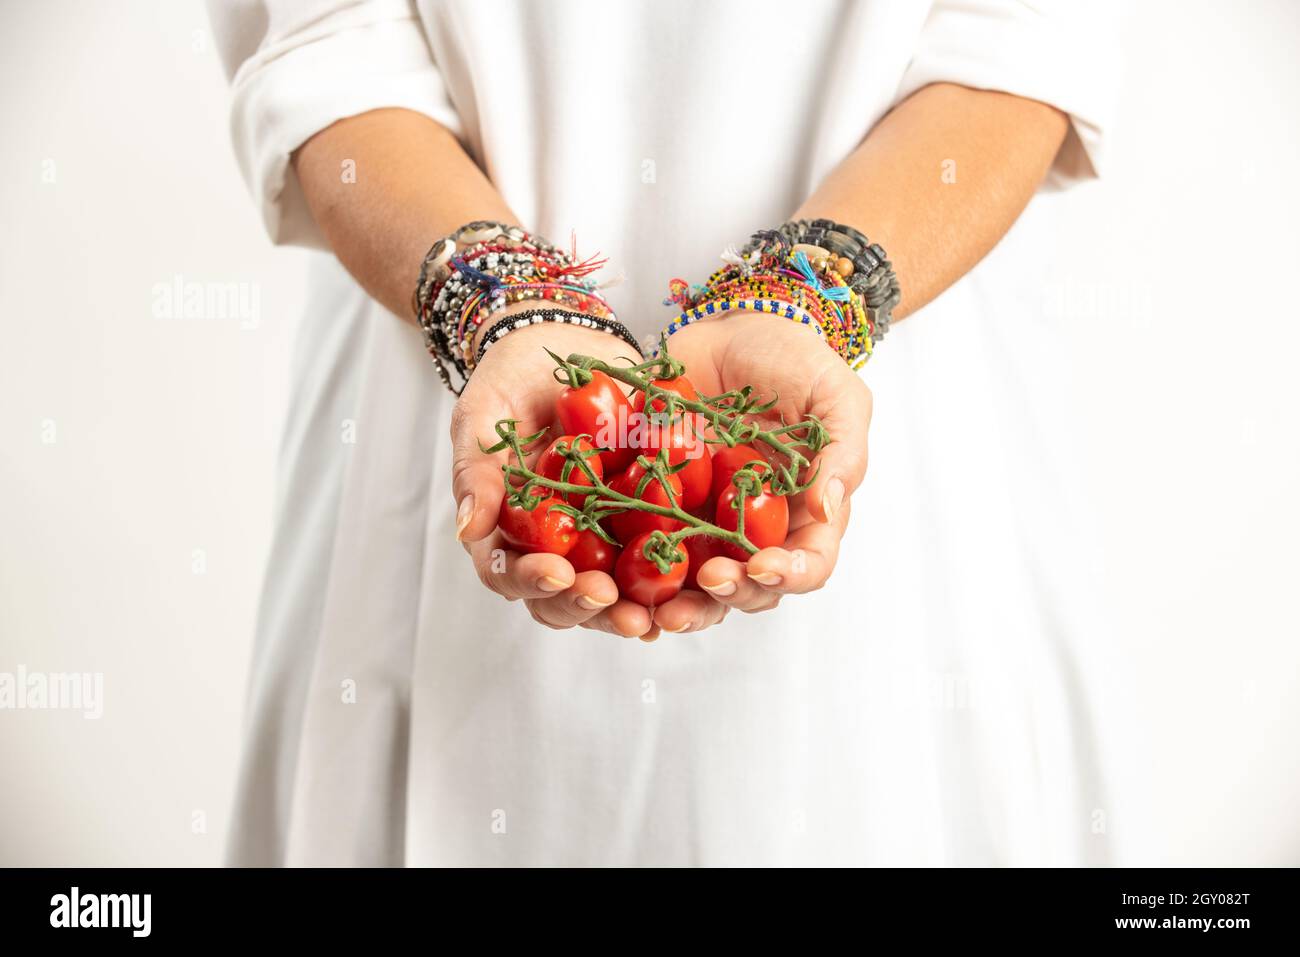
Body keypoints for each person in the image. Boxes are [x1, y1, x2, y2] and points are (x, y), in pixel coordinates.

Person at [211, 0, 1118, 866]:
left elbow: (1017, 45)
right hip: (430, 379)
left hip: (909, 373)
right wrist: (504, 306)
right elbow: (329, 47)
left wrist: (811, 299)